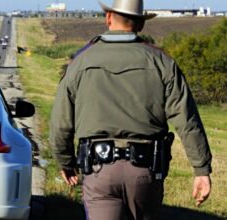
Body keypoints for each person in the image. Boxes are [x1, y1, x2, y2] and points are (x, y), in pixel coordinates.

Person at [49, 0, 213, 219]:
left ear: (108, 18)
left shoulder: (81, 62)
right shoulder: (161, 62)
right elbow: (187, 121)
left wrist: (66, 162)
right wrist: (201, 169)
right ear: (141, 25)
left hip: (99, 170)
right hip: (145, 171)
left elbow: (60, 123)